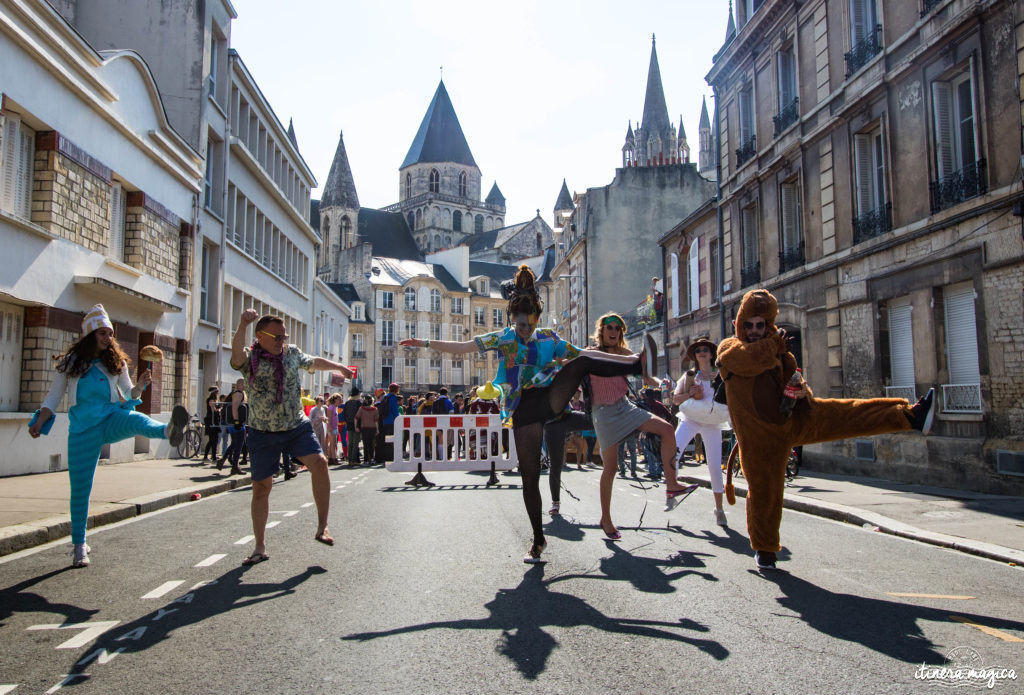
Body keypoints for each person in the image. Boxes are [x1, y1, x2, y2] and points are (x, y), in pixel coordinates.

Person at [400, 265, 658, 563]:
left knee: (579, 361)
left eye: (530, 325)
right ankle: (537, 539)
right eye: (521, 325)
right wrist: (425, 343)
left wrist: (633, 360)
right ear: (513, 319)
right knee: (530, 476)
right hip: (521, 407)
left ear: (537, 319)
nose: (526, 330)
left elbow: (588, 355)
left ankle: (639, 365)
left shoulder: (548, 337)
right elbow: (463, 346)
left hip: (550, 397)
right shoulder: (502, 338)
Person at [718, 289, 936, 570]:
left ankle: (910, 416)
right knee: (765, 494)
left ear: (769, 324)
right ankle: (765, 549)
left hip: (793, 419)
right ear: (739, 324)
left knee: (848, 412)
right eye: (749, 325)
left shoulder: (780, 353)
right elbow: (747, 359)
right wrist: (775, 344)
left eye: (761, 325)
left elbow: (795, 379)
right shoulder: (729, 349)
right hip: (760, 440)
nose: (755, 331)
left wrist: (799, 390)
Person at [28, 304, 187, 568]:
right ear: (90, 335)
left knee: (136, 420)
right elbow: (54, 397)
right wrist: (39, 421)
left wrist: (141, 385)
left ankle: (167, 430)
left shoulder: (117, 363)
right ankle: (79, 545)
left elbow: (129, 394)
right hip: (82, 430)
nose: (107, 337)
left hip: (111, 417)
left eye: (109, 333)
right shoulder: (70, 364)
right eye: (102, 332)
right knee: (80, 490)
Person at [230, 309, 353, 565]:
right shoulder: (250, 359)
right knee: (262, 488)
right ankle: (260, 546)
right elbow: (236, 352)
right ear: (260, 336)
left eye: (284, 336)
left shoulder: (292, 354)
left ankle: (322, 527)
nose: (281, 341)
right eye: (276, 337)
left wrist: (339, 366)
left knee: (319, 463)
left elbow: (313, 361)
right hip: (262, 431)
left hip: (296, 425)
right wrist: (242, 323)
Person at [584, 313, 697, 540]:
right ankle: (605, 518)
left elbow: (647, 378)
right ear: (602, 331)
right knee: (611, 467)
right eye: (610, 327)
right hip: (603, 413)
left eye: (618, 328)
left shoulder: (628, 355)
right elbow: (570, 363)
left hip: (625, 406)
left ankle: (672, 484)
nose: (614, 331)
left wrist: (664, 384)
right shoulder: (591, 353)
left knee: (666, 429)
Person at [673, 337, 732, 527]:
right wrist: (690, 393)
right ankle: (671, 492)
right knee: (673, 453)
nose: (702, 353)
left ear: (711, 353)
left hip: (712, 423)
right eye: (698, 351)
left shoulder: (721, 375)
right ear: (695, 356)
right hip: (691, 420)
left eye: (705, 349)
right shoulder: (690, 376)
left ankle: (719, 509)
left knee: (714, 466)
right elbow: (675, 401)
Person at [219, 378, 248, 476]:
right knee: (239, 444)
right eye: (244, 384)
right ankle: (235, 466)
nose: (246, 385)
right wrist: (236, 422)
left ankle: (223, 459)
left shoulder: (235, 393)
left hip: (233, 423)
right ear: (240, 385)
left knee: (235, 444)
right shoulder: (239, 394)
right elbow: (235, 408)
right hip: (236, 423)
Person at [377, 383, 401, 462]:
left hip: (385, 420)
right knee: (392, 440)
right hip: (392, 421)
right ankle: (390, 457)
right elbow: (394, 410)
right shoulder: (393, 397)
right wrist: (398, 419)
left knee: (387, 439)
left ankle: (385, 456)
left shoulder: (385, 397)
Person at [355, 393, 379, 464]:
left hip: (364, 428)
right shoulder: (375, 409)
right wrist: (377, 429)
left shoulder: (361, 409)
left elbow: (356, 418)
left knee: (366, 444)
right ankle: (371, 458)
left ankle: (366, 460)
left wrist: (356, 426)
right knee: (372, 444)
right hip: (372, 428)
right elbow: (376, 421)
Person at [342, 389, 362, 465]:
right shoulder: (358, 403)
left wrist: (346, 422)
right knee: (355, 442)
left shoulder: (347, 403)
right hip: (356, 424)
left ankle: (349, 459)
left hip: (349, 423)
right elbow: (359, 415)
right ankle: (354, 460)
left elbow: (345, 414)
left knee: (350, 442)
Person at [201, 386, 221, 462]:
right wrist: (219, 409)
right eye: (217, 392)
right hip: (211, 421)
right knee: (212, 439)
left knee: (213, 439)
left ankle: (212, 455)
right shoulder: (211, 400)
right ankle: (209, 456)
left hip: (214, 420)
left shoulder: (214, 400)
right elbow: (214, 411)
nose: (218, 394)